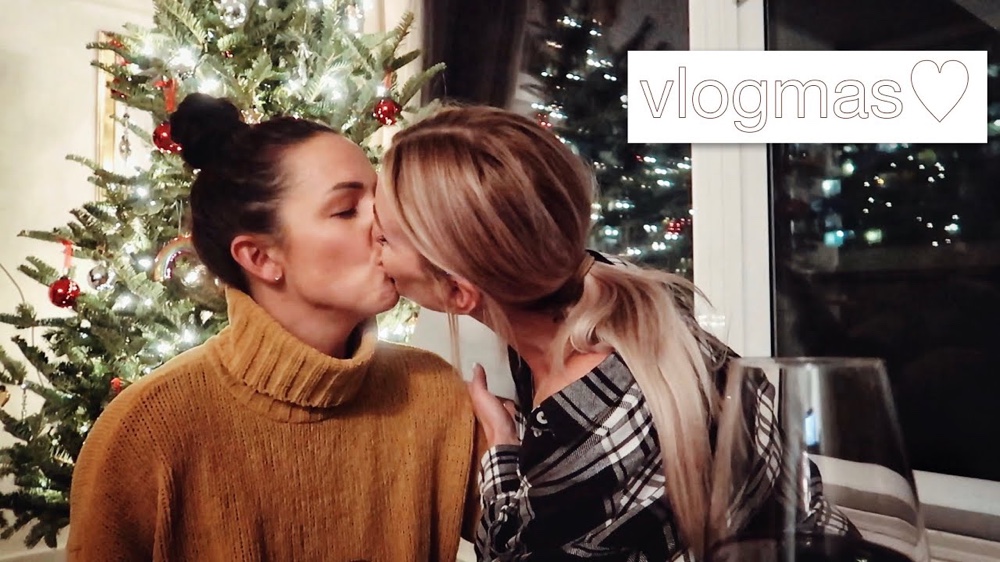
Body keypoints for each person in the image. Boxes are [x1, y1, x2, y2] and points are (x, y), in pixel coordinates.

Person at [372, 105, 857, 561]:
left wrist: (501, 447)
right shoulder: (601, 285)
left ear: (459, 292)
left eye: (385, 237)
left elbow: (511, 550)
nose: (371, 243)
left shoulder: (581, 441)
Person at [67, 94, 481, 562]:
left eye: (381, 200)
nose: (385, 224)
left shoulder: (435, 393)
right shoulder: (146, 431)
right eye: (347, 210)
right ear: (261, 257)